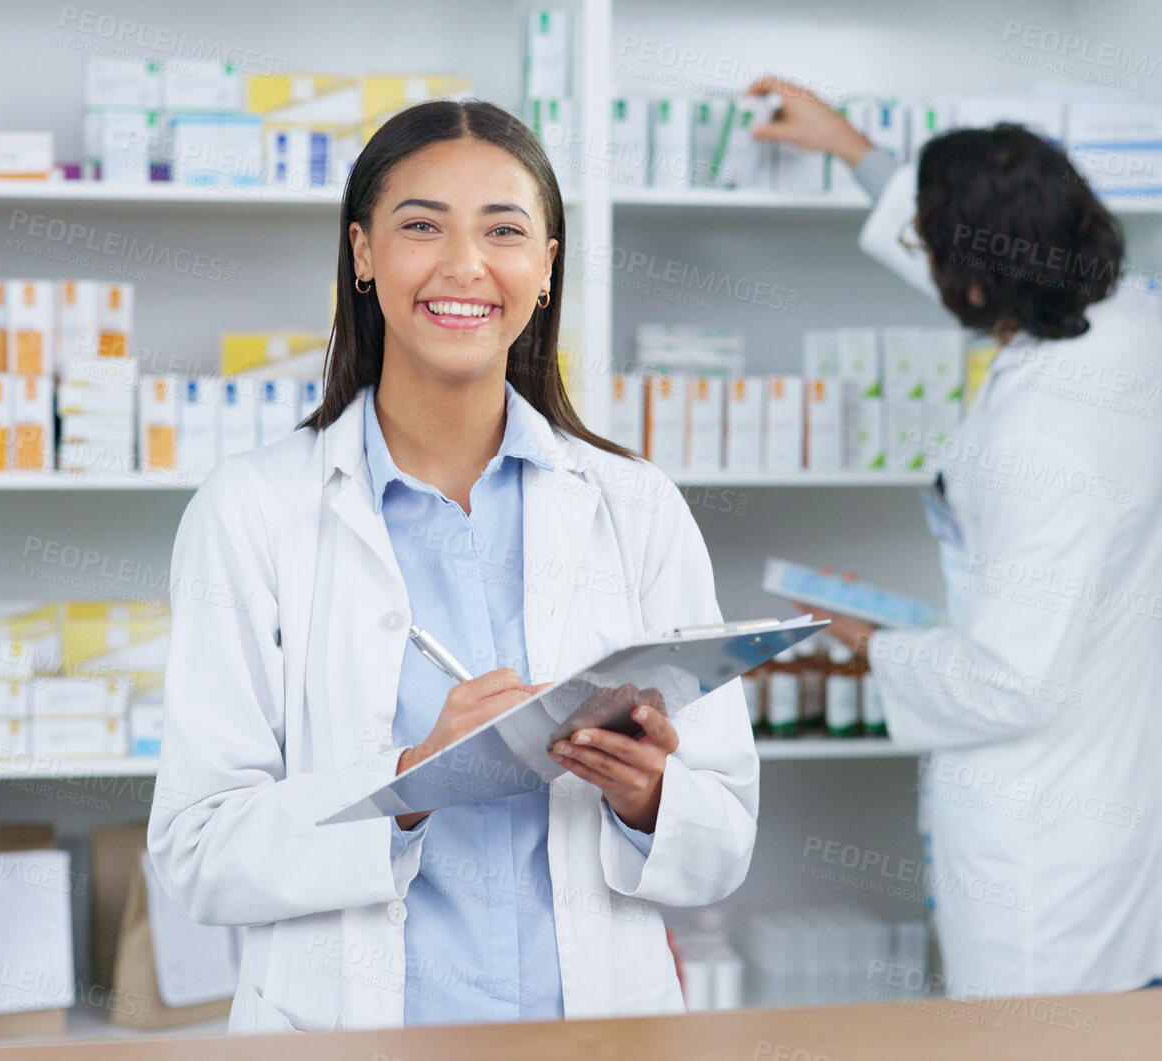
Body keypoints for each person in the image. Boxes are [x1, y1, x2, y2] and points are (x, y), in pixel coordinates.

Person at [148, 100, 758, 1034]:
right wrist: (411, 779)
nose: (464, 265)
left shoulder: (635, 506)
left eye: (504, 231)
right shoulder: (252, 510)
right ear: (361, 253)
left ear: (547, 265)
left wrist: (647, 794)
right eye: (420, 225)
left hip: (593, 1033)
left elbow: (722, 836)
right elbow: (196, 851)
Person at [751, 77, 1162, 997]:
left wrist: (870, 640)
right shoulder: (1131, 331)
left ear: (979, 276)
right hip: (1117, 775)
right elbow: (999, 274)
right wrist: (851, 149)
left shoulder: (1038, 431)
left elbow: (1009, 681)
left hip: (1039, 823)